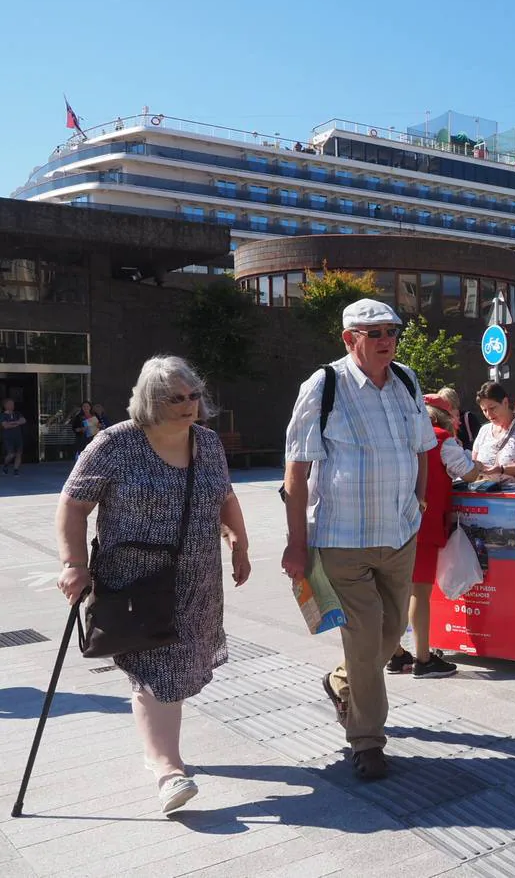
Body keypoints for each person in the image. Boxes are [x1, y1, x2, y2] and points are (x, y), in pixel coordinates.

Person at [56, 355, 250, 813]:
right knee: (155, 671)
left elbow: (224, 495)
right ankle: (168, 768)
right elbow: (72, 504)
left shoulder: (206, 443)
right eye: (174, 398)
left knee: (177, 670)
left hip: (197, 583)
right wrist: (73, 564)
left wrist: (239, 543)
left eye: (193, 396)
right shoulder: (116, 444)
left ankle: (159, 751)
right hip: (136, 583)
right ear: (149, 401)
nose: (188, 405)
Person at [282, 299, 437, 781]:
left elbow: (423, 448)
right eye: (375, 333)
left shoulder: (407, 380)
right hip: (343, 536)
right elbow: (297, 466)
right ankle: (367, 741)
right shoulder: (324, 385)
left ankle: (341, 680)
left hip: (399, 531)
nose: (387, 340)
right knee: (367, 636)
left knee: (390, 637)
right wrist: (295, 542)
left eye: (391, 331)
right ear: (350, 340)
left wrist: (420, 503)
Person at [386, 391, 474, 679]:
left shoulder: (399, 436)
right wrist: (490, 470)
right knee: (419, 593)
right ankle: (424, 659)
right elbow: (468, 472)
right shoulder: (440, 438)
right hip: (424, 523)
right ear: (443, 417)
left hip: (393, 523)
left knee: (393, 592)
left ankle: (396, 654)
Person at [2, 397, 26, 475]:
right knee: (11, 454)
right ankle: (5, 465)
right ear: (5, 405)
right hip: (8, 437)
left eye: (13, 404)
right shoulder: (2, 415)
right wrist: (17, 423)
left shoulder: (17, 413)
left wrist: (12, 423)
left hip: (18, 437)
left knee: (19, 453)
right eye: (10, 404)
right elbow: (5, 426)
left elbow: (23, 421)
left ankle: (16, 470)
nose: (12, 405)